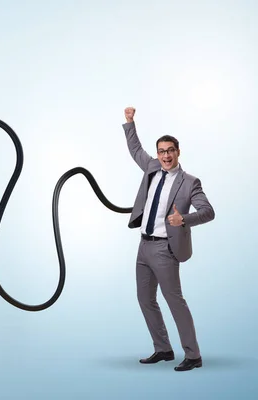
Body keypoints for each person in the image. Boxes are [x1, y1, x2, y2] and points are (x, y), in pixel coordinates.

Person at [122, 107, 215, 372]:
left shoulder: (189, 182)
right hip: (143, 246)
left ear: (178, 152)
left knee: (175, 301)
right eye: (161, 151)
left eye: (170, 150)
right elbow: (135, 149)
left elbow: (208, 211)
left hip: (165, 249)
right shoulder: (151, 166)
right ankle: (163, 349)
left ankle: (193, 355)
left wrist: (183, 219)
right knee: (145, 299)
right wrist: (130, 122)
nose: (165, 155)